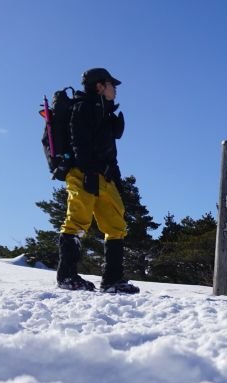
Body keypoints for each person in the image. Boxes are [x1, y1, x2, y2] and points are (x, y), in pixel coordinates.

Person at [56, 68, 139, 294]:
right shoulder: (84, 107)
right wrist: (87, 170)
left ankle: (112, 280)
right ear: (99, 86)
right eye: (112, 84)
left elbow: (109, 151)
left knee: (116, 225)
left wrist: (117, 182)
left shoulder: (104, 112)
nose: (116, 89)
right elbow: (77, 139)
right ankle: (66, 276)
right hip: (83, 173)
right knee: (78, 219)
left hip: (106, 176)